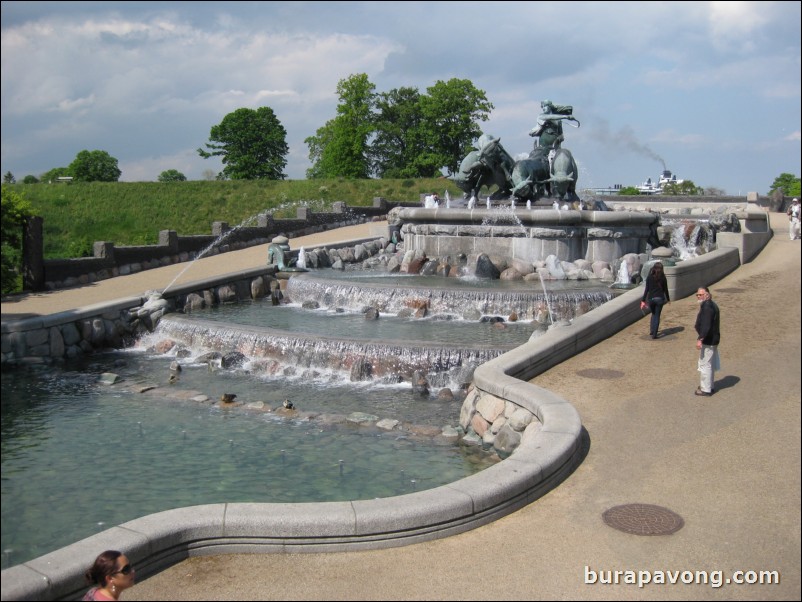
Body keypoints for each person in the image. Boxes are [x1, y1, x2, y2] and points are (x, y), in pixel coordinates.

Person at [693, 287, 720, 397]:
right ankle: (709, 386)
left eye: (700, 294)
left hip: (709, 340)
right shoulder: (711, 305)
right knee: (710, 363)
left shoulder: (707, 307)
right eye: (697, 295)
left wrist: (700, 338)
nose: (698, 296)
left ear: (707, 295)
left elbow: (706, 325)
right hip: (713, 339)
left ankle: (706, 389)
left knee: (705, 364)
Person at [640, 262, 670, 338]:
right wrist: (668, 299)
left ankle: (652, 330)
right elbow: (666, 289)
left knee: (653, 313)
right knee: (657, 315)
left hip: (651, 299)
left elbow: (646, 290)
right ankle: (655, 334)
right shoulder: (663, 277)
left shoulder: (649, 277)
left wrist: (643, 300)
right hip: (660, 299)